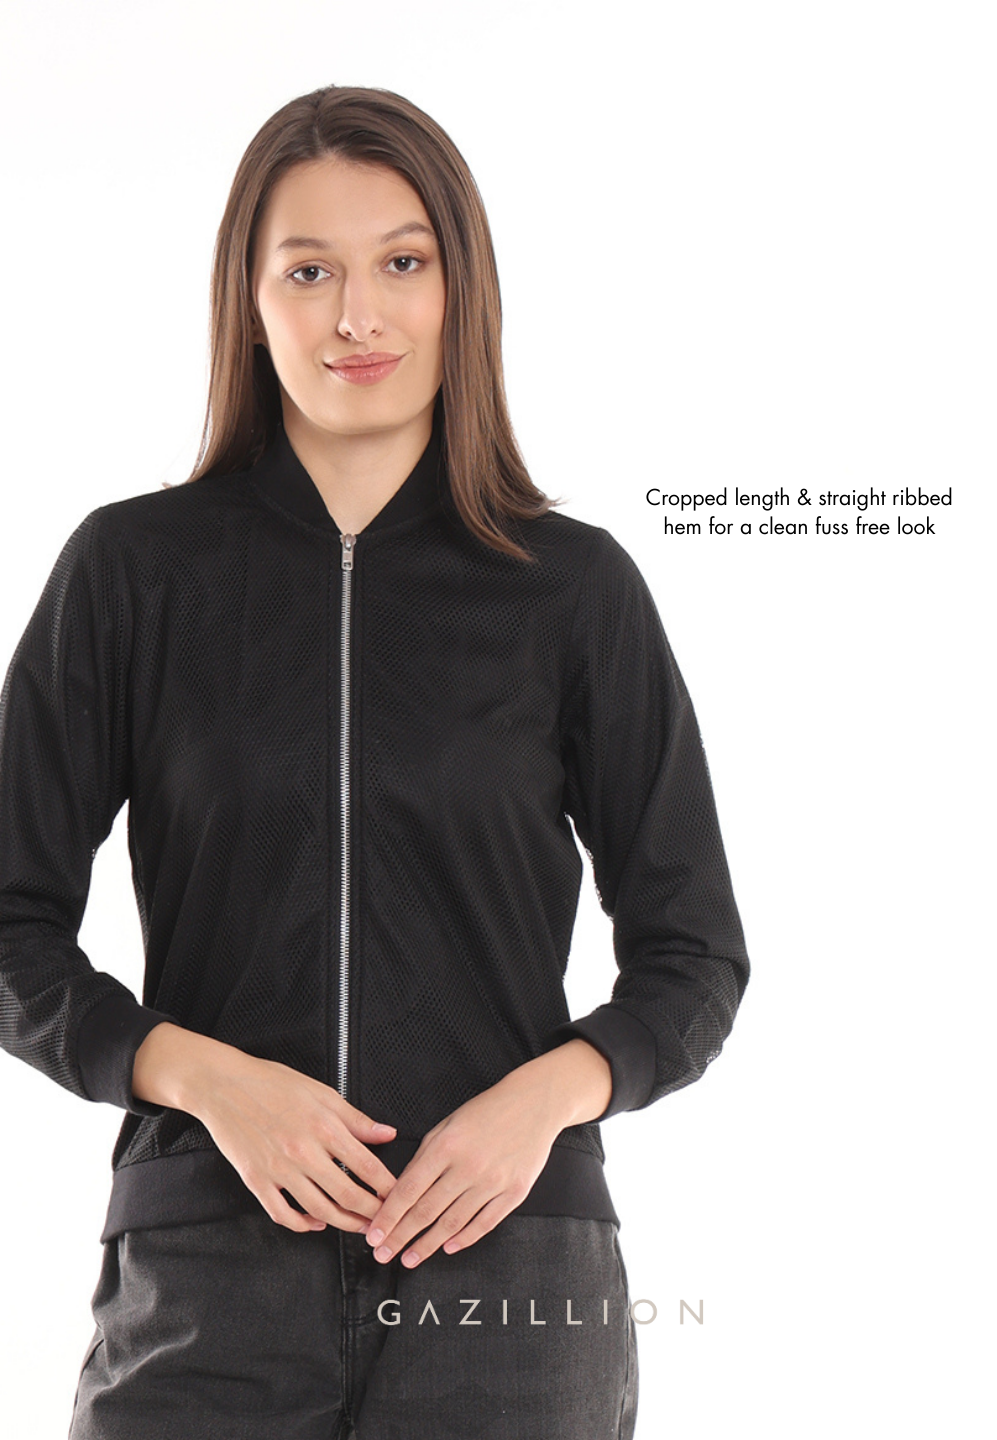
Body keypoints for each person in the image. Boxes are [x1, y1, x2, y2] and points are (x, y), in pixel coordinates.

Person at [0, 85, 750, 1439]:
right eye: (310, 272)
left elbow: (694, 959)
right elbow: (8, 921)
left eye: (404, 262)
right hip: (207, 1268)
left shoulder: (572, 590)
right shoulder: (134, 574)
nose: (358, 316)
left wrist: (540, 1106)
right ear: (249, 303)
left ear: (464, 289)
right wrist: (202, 1077)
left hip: (511, 1278)